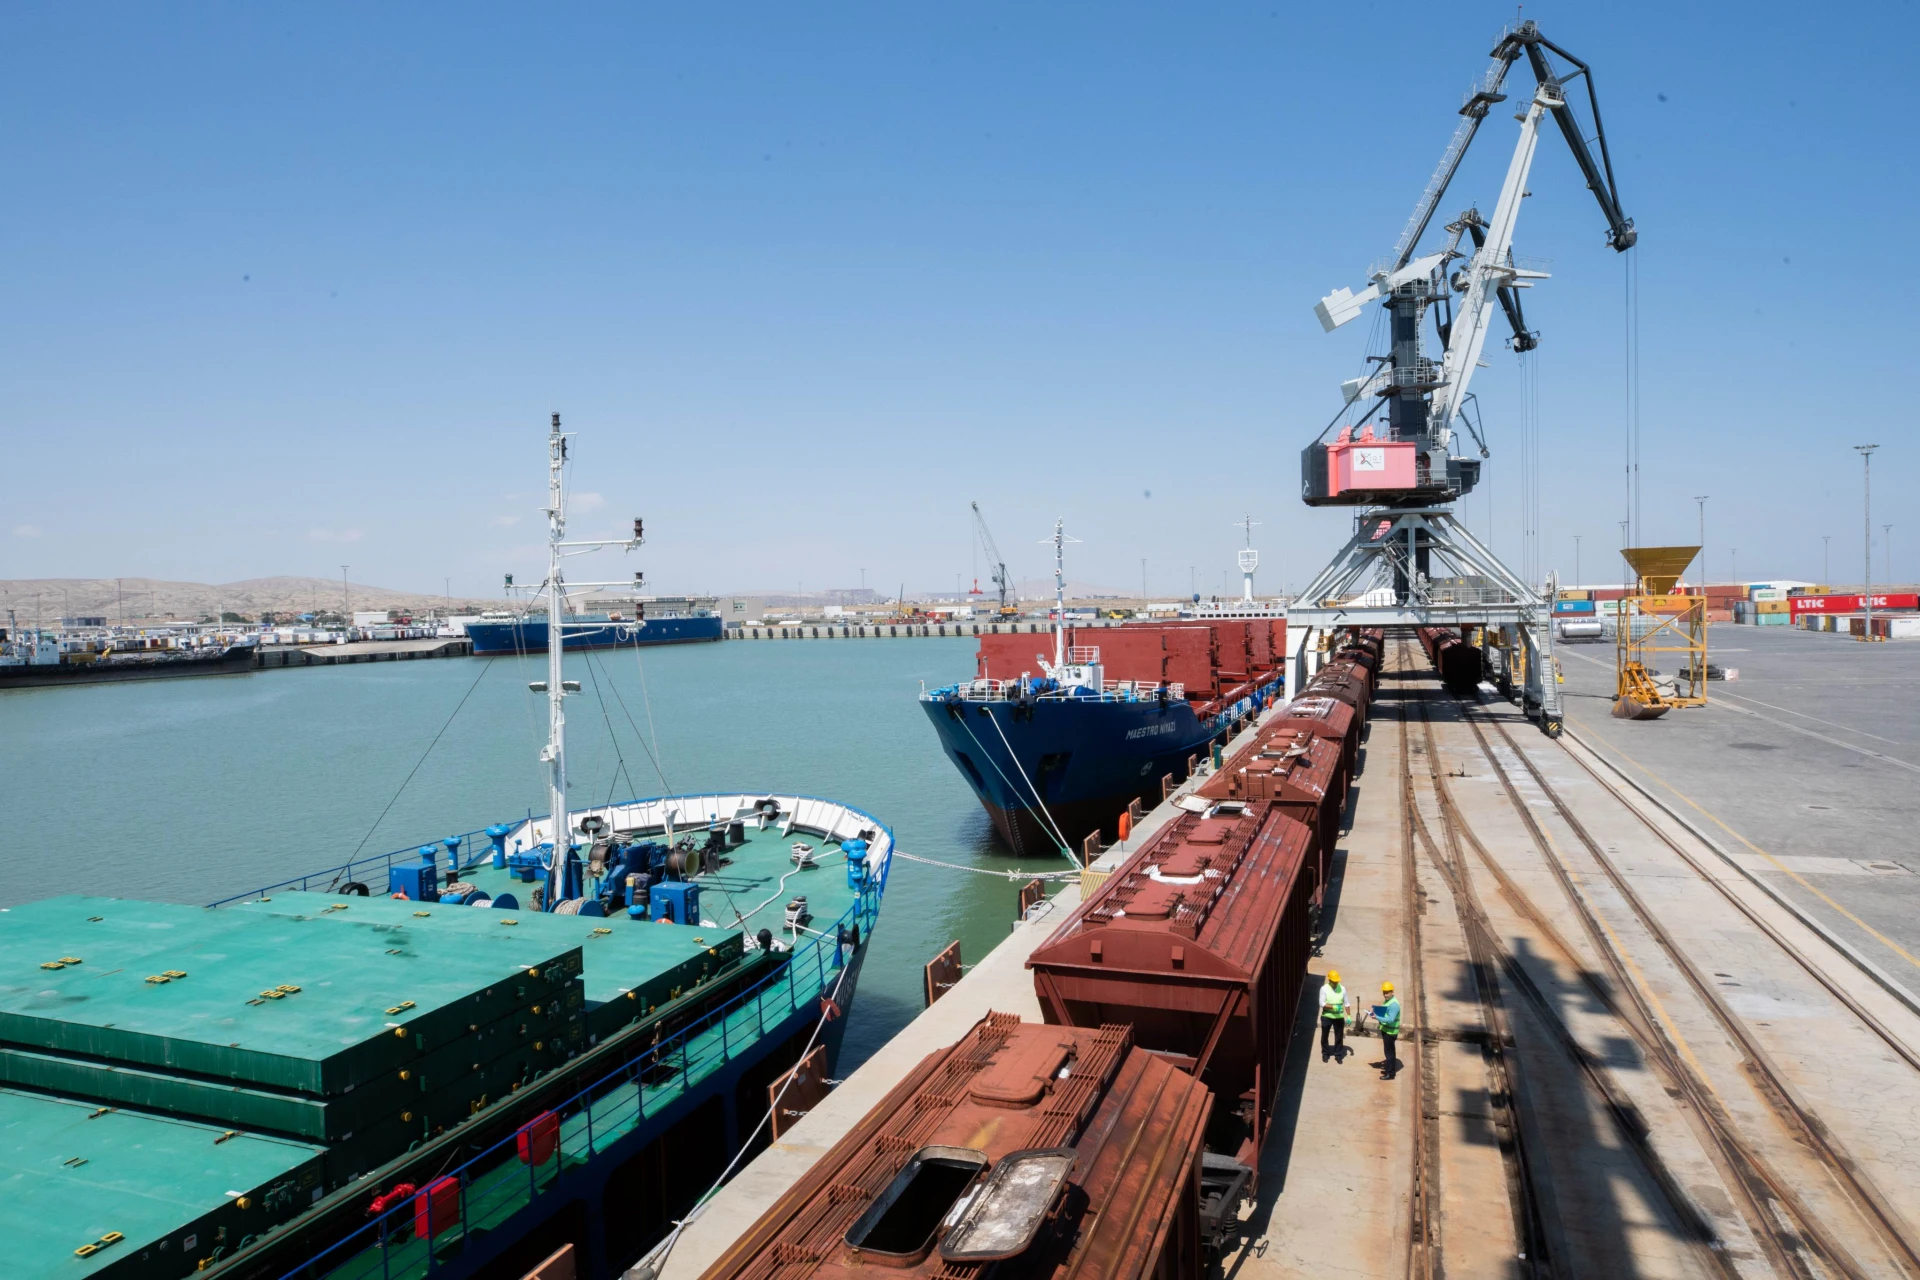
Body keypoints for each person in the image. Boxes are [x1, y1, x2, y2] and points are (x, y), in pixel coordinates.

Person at [1319, 969, 1351, 1061]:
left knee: (1339, 1036)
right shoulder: (1324, 989)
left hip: (1338, 1017)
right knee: (1325, 1036)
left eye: (1337, 981)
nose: (1336, 983)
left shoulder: (1342, 989)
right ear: (1329, 980)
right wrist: (1333, 1007)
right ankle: (1325, 1053)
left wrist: (1349, 1016)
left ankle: (1338, 1054)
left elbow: (1347, 1003)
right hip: (1327, 1016)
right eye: (1334, 982)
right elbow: (1322, 1003)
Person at [1377, 981, 1403, 1076]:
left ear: (1392, 992)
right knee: (1388, 1052)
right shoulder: (1388, 1001)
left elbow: (1391, 1019)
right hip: (1386, 1030)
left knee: (1389, 1053)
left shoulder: (1394, 1004)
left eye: (1387, 993)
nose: (1385, 995)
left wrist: (1377, 1017)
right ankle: (1389, 1069)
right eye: (1384, 992)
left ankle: (1390, 1073)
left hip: (1390, 1032)